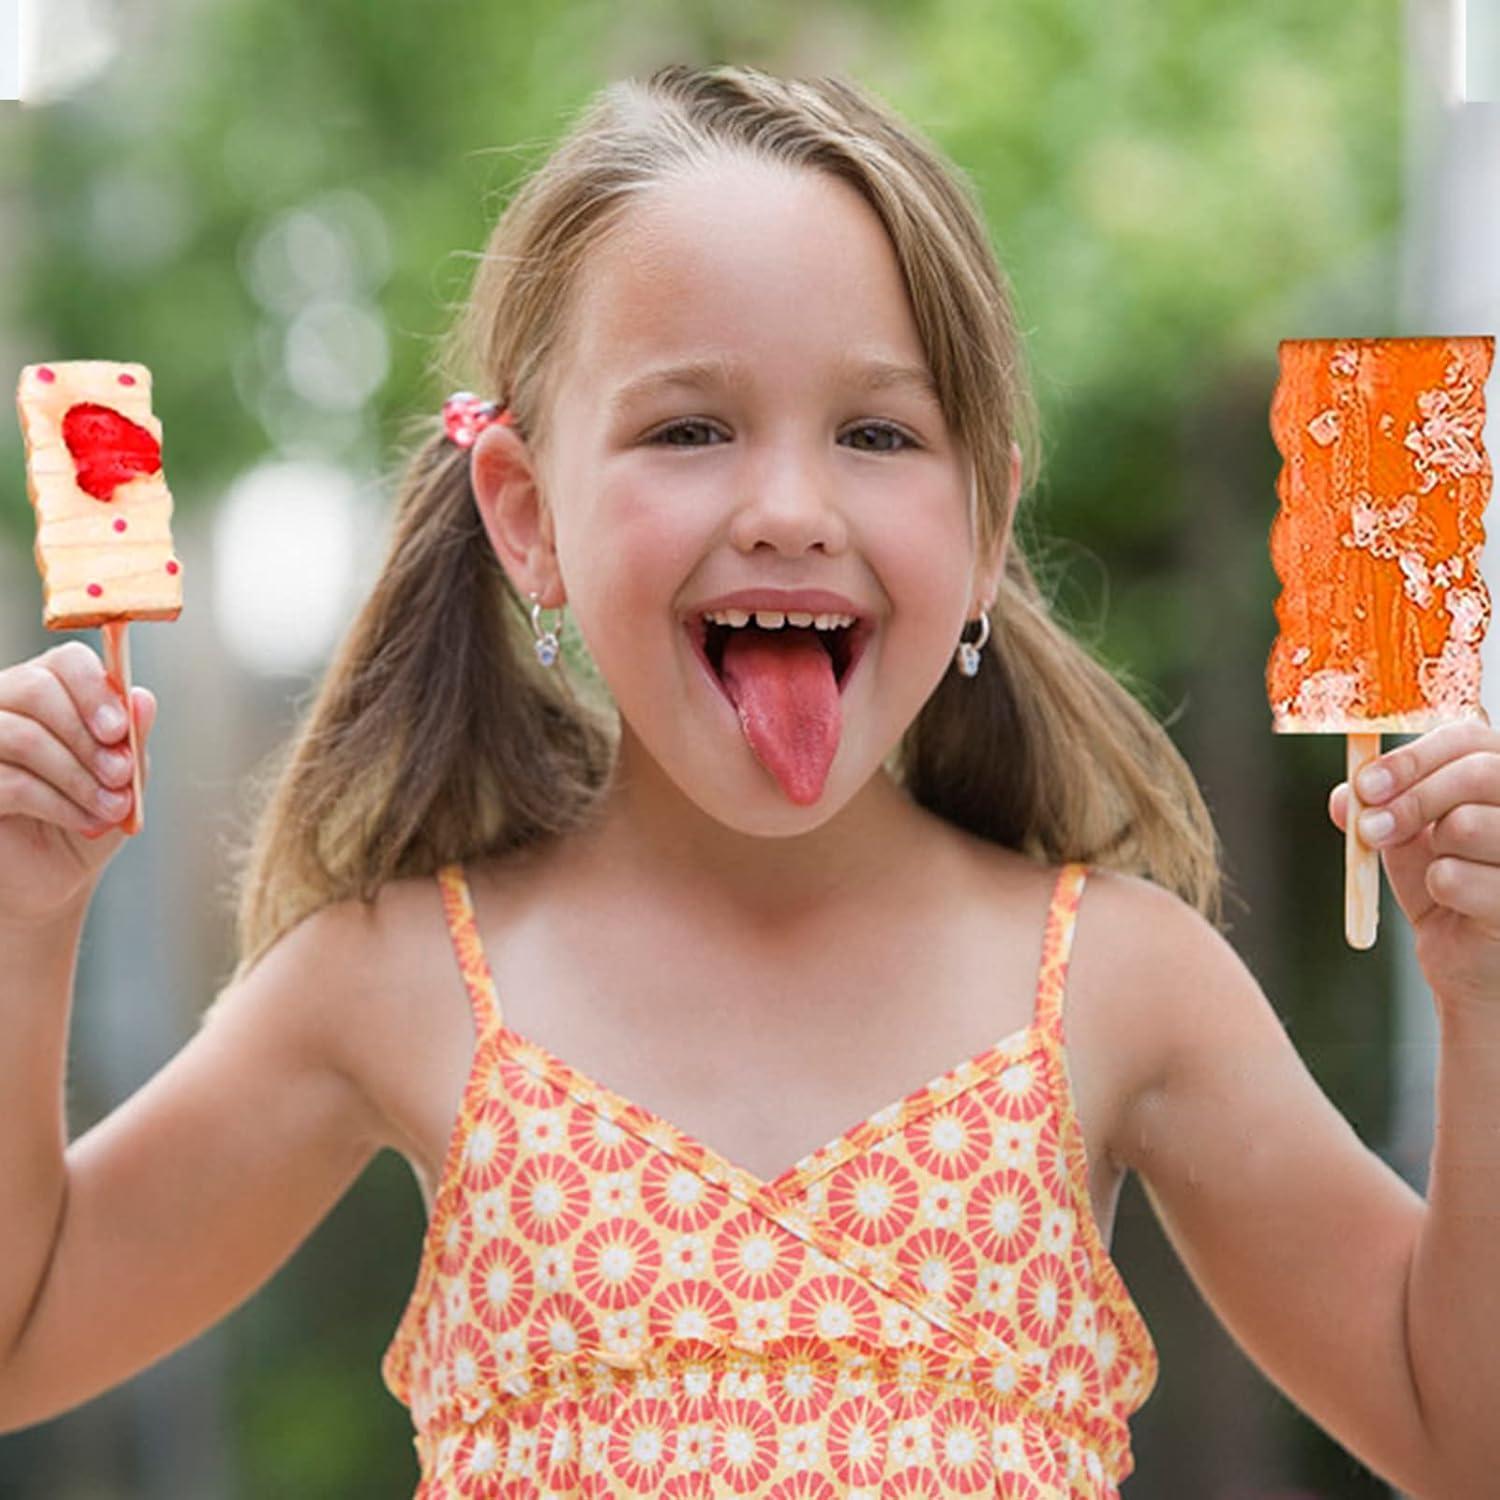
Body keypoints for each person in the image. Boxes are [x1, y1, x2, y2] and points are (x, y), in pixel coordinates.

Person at [1, 61, 1495, 1499]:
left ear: (986, 529)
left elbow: (1459, 1437)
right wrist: (23, 921)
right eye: (690, 429)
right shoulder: (398, 979)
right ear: (525, 516)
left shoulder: (1125, 980)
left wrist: (1487, 1002)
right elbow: (25, 1337)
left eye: (878, 433)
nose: (789, 508)